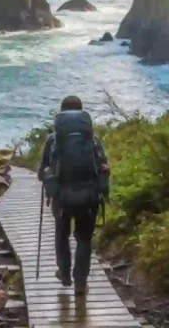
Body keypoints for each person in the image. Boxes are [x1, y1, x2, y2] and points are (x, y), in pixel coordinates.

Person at [37, 95, 110, 296]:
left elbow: (42, 172)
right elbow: (102, 165)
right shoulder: (92, 140)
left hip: (62, 197)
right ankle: (80, 282)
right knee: (84, 238)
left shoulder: (53, 140)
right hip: (88, 197)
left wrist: (49, 180)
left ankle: (64, 274)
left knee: (62, 235)